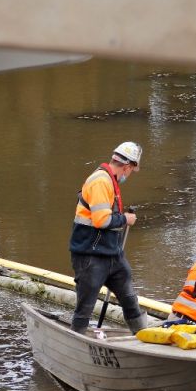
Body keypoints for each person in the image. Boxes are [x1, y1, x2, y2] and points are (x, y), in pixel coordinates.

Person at [69, 141, 148, 334]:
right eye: (131, 171)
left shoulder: (110, 182)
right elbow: (101, 220)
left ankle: (143, 336)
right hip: (90, 254)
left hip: (112, 254)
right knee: (85, 305)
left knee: (129, 298)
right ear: (127, 166)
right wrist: (125, 218)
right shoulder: (100, 181)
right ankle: (77, 339)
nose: (129, 175)